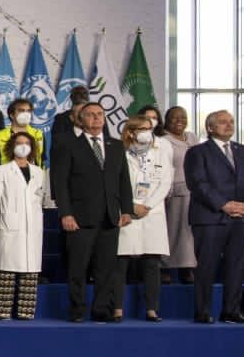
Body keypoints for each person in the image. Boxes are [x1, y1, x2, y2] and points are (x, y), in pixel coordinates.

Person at [51, 102, 133, 323]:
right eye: (90, 115)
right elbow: (60, 182)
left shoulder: (115, 146)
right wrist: (65, 213)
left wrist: (126, 209)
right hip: (79, 218)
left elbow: (123, 180)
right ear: (81, 119)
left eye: (100, 115)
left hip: (109, 218)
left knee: (106, 269)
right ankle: (77, 310)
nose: (96, 119)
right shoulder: (67, 144)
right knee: (77, 268)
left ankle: (101, 310)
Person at [184, 109, 244, 324]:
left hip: (239, 218)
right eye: (222, 122)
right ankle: (203, 311)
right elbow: (198, 183)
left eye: (231, 121)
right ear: (210, 128)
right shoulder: (197, 152)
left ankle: (231, 311)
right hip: (210, 218)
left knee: (236, 266)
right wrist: (224, 205)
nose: (229, 125)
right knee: (207, 266)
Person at [117, 116, 172, 322]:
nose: (147, 132)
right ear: (131, 132)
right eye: (142, 128)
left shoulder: (160, 153)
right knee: (121, 262)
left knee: (151, 262)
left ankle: (151, 309)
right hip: (127, 211)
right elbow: (114, 184)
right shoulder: (119, 153)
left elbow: (165, 183)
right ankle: (117, 308)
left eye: (150, 128)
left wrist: (147, 205)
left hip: (152, 212)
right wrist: (131, 206)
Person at [0, 131, 46, 320]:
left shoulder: (39, 172)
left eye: (26, 143)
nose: (23, 146)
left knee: (30, 269)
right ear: (12, 147)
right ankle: (2, 311)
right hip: (10, 225)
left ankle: (25, 312)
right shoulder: (2, 170)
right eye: (19, 143)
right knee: (7, 267)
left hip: (33, 227)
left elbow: (42, 199)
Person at [161, 106, 200, 283]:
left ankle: (187, 267)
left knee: (189, 233)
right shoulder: (162, 139)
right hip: (172, 192)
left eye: (183, 117)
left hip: (195, 192)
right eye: (174, 118)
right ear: (166, 120)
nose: (179, 121)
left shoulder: (192, 138)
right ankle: (165, 267)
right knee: (172, 231)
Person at [0, 98, 44, 166]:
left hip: (34, 174)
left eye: (28, 111)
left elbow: (42, 158)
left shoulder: (38, 134)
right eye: (22, 111)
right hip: (7, 174)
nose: (26, 114)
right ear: (12, 115)